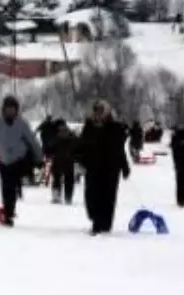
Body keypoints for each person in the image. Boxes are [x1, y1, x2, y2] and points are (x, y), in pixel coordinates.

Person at [0, 96, 43, 227]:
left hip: (17, 159)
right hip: (2, 159)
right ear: (3, 109)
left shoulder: (22, 124)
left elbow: (32, 141)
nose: (10, 111)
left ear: (16, 110)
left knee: (11, 184)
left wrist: (39, 157)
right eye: (8, 109)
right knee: (6, 186)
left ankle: (10, 209)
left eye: (13, 109)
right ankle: (8, 212)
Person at [76, 100, 130, 235]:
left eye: (101, 111)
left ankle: (102, 224)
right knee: (91, 196)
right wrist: (80, 162)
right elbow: (81, 147)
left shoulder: (115, 128)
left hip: (111, 168)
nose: (98, 114)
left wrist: (125, 166)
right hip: (92, 167)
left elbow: (119, 149)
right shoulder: (88, 127)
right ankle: (96, 218)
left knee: (107, 197)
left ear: (107, 113)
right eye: (96, 111)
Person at [49, 119, 78, 204]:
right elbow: (78, 146)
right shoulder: (72, 135)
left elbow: (50, 147)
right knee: (69, 180)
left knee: (57, 179)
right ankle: (68, 197)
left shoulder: (56, 136)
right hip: (69, 161)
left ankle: (56, 196)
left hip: (58, 160)